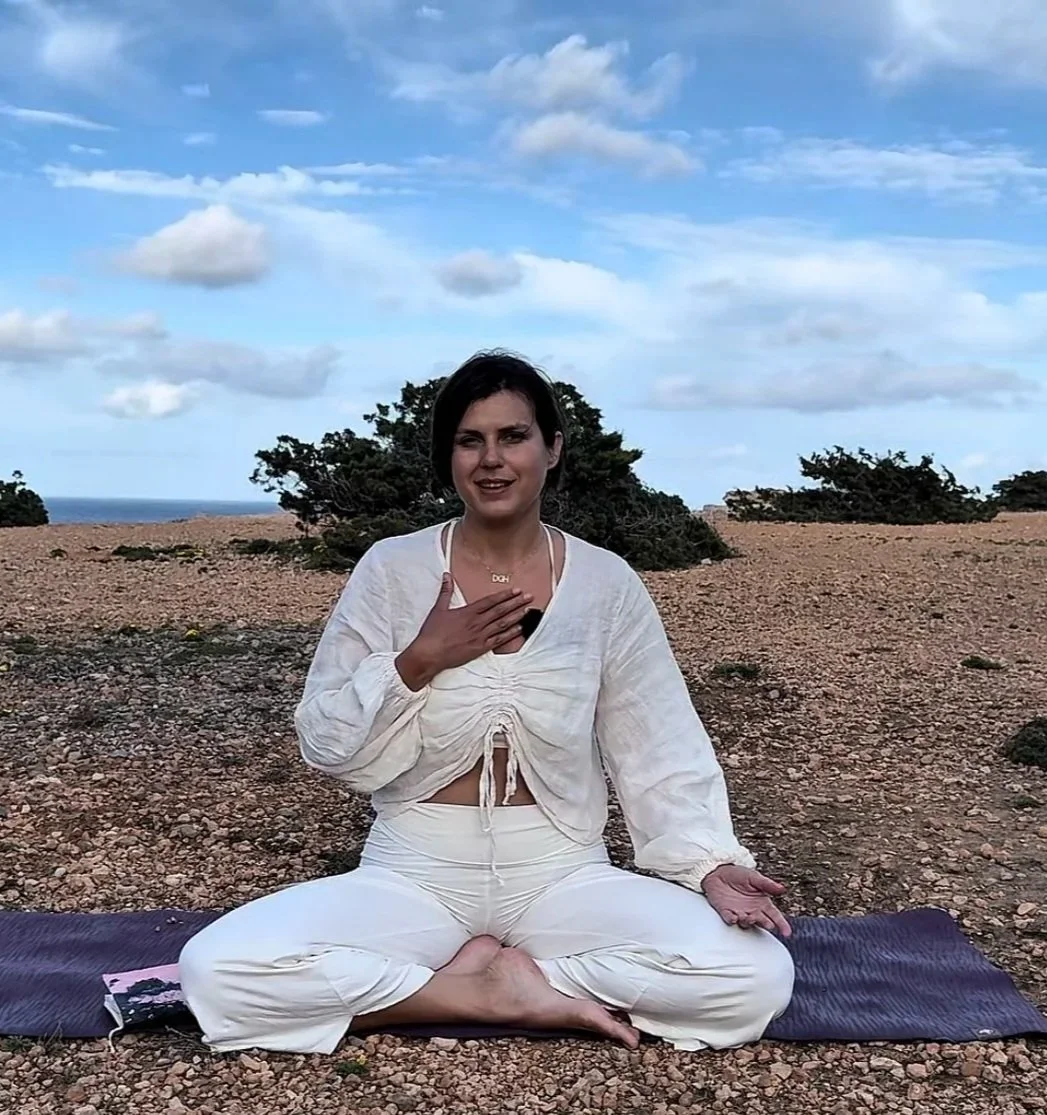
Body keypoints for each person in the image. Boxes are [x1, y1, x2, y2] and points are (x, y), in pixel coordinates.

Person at [177, 351, 795, 1055]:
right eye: (469, 440)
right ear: (449, 457)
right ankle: (481, 992)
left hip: (562, 869)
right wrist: (420, 659)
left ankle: (512, 982)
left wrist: (707, 861)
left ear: (551, 448)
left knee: (754, 977)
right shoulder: (392, 568)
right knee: (215, 969)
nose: (491, 459)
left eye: (513, 436)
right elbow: (326, 741)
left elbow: (655, 737)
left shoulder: (605, 582)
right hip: (413, 868)